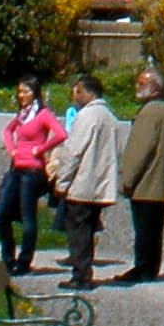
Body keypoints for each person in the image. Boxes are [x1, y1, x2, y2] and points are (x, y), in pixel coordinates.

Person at [46, 71, 122, 291]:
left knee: (77, 231)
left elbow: (73, 153)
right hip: (99, 185)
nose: (74, 96)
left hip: (82, 184)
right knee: (88, 231)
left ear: (88, 92)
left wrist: (61, 183)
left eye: (77, 91)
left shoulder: (86, 117)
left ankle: (81, 276)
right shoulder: (110, 117)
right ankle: (85, 271)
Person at [0, 79, 64, 275]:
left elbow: (61, 134)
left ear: (34, 92)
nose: (21, 96)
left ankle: (24, 262)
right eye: (19, 92)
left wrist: (40, 149)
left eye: (25, 92)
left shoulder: (43, 114)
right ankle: (8, 258)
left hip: (32, 172)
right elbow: (7, 130)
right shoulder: (23, 115)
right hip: (17, 168)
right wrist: (12, 149)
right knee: (0, 214)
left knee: (28, 217)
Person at [117, 65, 164, 283]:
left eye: (141, 84)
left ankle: (141, 268)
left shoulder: (149, 113)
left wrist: (127, 178)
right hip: (160, 180)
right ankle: (152, 267)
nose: (137, 87)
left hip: (145, 182)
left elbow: (140, 148)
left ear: (154, 88)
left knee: (143, 230)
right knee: (155, 230)